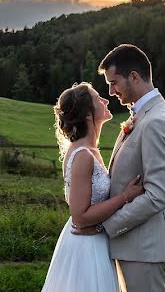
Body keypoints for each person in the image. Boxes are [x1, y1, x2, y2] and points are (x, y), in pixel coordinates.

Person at [75, 44, 165, 292]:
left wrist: (106, 226)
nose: (111, 91)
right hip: (134, 244)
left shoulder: (155, 122)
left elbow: (157, 196)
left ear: (134, 76)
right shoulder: (145, 114)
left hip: (144, 248)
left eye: (114, 83)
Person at [41, 82, 146, 292]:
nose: (106, 100)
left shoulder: (89, 150)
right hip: (86, 247)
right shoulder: (82, 156)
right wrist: (125, 196)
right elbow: (80, 217)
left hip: (96, 240)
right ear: (88, 114)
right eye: (99, 98)